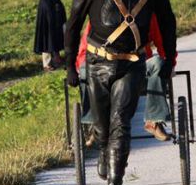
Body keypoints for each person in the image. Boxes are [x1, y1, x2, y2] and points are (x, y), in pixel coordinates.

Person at [65, 0, 177, 185]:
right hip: (97, 64)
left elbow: (167, 20)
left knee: (120, 124)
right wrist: (70, 67)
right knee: (102, 127)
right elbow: (73, 27)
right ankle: (103, 150)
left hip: (132, 64)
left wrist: (168, 59)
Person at [75, 15, 178, 145]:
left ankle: (154, 120)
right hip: (106, 69)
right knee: (85, 69)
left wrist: (170, 64)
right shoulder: (101, 11)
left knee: (158, 63)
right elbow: (85, 48)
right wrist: (80, 67)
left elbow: (162, 41)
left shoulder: (146, 13)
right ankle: (95, 124)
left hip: (139, 67)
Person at [34, 0, 66, 71]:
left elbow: (61, 10)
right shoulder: (43, 0)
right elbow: (45, 13)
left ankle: (57, 61)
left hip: (57, 26)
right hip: (47, 28)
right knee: (47, 45)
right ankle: (47, 65)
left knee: (56, 43)